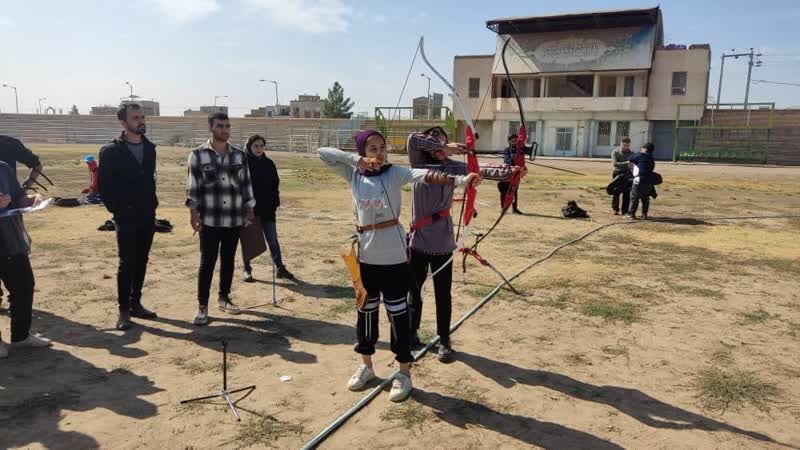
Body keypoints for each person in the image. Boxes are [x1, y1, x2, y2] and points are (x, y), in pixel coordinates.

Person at [317, 130, 480, 402]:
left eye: (382, 147)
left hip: (394, 259)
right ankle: (367, 367)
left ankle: (404, 373)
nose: (379, 152)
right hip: (367, 259)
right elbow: (321, 153)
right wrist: (354, 160)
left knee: (399, 317)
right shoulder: (353, 174)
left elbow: (427, 175)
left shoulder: (395, 173)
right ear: (362, 151)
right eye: (372, 148)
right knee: (366, 314)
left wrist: (464, 179)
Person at [406, 127, 523, 362]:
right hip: (418, 241)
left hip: (442, 243)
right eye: (435, 141)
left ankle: (444, 340)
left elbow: (483, 171)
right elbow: (413, 138)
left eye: (443, 140)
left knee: (443, 293)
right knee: (414, 291)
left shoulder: (454, 167)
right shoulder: (417, 161)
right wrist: (442, 146)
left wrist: (512, 171)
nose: (439, 146)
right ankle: (411, 333)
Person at [186, 112, 255, 325]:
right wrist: (194, 213)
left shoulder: (239, 155)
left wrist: (249, 208)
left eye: (227, 126)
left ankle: (224, 298)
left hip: (233, 219)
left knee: (228, 261)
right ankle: (202, 306)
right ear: (211, 128)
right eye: (220, 126)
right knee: (207, 263)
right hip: (210, 220)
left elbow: (246, 184)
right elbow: (192, 188)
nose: (225, 129)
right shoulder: (197, 155)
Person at [98, 103, 160, 331]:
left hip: (147, 214)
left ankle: (136, 303)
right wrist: (118, 210)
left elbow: (149, 181)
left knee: (142, 259)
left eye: (142, 116)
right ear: (123, 122)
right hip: (125, 216)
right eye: (136, 117)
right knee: (127, 262)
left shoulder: (150, 148)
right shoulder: (110, 151)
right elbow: (104, 187)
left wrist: (152, 205)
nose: (141, 120)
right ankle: (124, 310)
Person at [0, 161, 51, 358]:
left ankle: (21, 337)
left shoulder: (3, 168)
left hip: (10, 239)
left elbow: (17, 197)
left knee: (23, 285)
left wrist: (32, 200)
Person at [0, 136, 46, 312]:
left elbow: (37, 164)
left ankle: (16, 302)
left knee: (16, 266)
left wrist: (26, 193)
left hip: (9, 219)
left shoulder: (8, 147)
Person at [240, 134, 294, 282]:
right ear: (250, 147)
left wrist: (275, 203)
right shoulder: (243, 164)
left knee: (273, 240)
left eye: (261, 146)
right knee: (249, 241)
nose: (258, 149)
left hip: (268, 211)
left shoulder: (269, 163)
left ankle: (279, 268)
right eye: (255, 146)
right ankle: (247, 269)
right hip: (249, 211)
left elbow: (275, 185)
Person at [627, 143, 657, 220]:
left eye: (642, 148)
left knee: (634, 196)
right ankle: (644, 215)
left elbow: (630, 158)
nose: (641, 150)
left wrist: (634, 153)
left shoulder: (641, 155)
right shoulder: (652, 158)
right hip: (649, 180)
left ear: (645, 149)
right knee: (645, 197)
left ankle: (631, 214)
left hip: (639, 179)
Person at [497, 134, 524, 215]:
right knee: (504, 191)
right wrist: (512, 158)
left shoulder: (520, 150)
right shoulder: (507, 150)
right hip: (507, 173)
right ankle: (503, 208)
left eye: (516, 141)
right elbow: (506, 160)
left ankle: (514, 209)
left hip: (516, 174)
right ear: (509, 141)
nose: (514, 142)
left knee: (514, 191)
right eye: (512, 141)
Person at [610, 137, 633, 215]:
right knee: (616, 191)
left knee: (627, 192)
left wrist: (629, 165)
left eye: (627, 145)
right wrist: (627, 163)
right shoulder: (615, 152)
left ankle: (625, 210)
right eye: (624, 145)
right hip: (617, 173)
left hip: (628, 174)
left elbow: (633, 164)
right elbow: (615, 164)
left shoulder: (632, 153)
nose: (626, 147)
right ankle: (615, 209)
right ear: (621, 144)